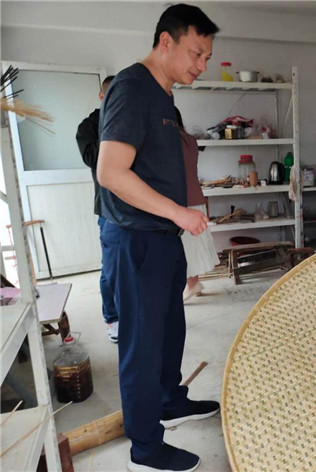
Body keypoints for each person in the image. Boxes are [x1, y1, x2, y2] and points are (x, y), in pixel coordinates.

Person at [96, 4, 220, 472]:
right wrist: (179, 213)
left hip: (165, 236)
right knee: (142, 345)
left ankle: (170, 401)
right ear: (166, 41)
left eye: (207, 57)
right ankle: (145, 447)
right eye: (196, 53)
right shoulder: (132, 88)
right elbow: (111, 172)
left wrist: (181, 216)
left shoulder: (166, 97)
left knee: (170, 331)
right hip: (138, 238)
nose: (201, 65)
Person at [75, 75, 119, 343]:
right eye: (113, 95)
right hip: (108, 207)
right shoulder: (88, 126)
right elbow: (92, 157)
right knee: (110, 268)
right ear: (102, 97)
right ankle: (112, 318)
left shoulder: (130, 118)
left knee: (133, 266)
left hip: (137, 205)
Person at [174, 107, 219, 301]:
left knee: (186, 247)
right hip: (196, 197)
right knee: (195, 244)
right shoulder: (190, 140)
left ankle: (191, 284)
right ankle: (194, 283)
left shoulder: (170, 140)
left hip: (181, 200)